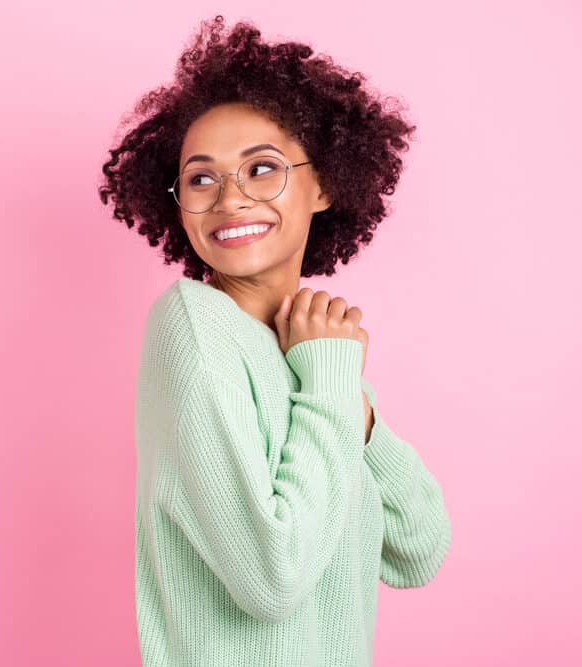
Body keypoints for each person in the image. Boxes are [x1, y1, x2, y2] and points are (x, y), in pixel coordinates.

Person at [98, 15, 451, 667]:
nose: (230, 197)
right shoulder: (193, 325)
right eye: (201, 178)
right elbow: (271, 579)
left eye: (262, 168)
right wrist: (330, 386)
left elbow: (420, 549)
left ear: (323, 185)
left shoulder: (315, 362)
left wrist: (358, 412)